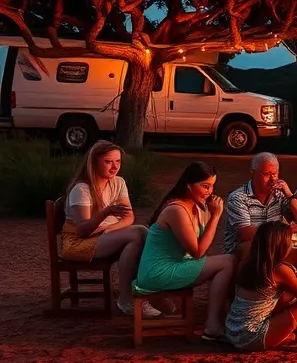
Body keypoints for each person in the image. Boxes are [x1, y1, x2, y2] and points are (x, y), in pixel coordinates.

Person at [135, 161, 235, 341]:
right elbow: (198, 252)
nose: (210, 192)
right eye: (205, 186)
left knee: (223, 265)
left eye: (212, 186)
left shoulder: (194, 207)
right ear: (189, 185)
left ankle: (218, 319)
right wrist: (216, 216)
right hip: (158, 272)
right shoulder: (176, 210)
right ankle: (212, 325)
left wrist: (209, 214)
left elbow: (199, 249)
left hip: (173, 265)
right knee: (228, 261)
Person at [60, 140, 157, 317]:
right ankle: (148, 293)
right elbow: (82, 231)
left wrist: (111, 229)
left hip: (104, 236)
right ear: (94, 162)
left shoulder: (118, 182)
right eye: (108, 162)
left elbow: (128, 216)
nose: (114, 167)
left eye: (118, 162)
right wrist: (105, 213)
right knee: (140, 232)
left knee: (135, 241)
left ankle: (128, 300)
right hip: (79, 243)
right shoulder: (82, 188)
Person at [225, 222, 297, 353]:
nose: (292, 244)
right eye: (290, 241)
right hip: (251, 337)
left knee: (291, 299)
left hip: (233, 331)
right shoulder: (279, 270)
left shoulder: (248, 263)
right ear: (281, 246)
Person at [222, 152, 297, 268]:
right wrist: (280, 233)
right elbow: (245, 233)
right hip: (242, 251)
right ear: (252, 174)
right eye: (266, 174)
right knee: (261, 248)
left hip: (274, 246)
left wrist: (290, 195)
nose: (272, 179)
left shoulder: (279, 195)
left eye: (274, 174)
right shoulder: (238, 197)